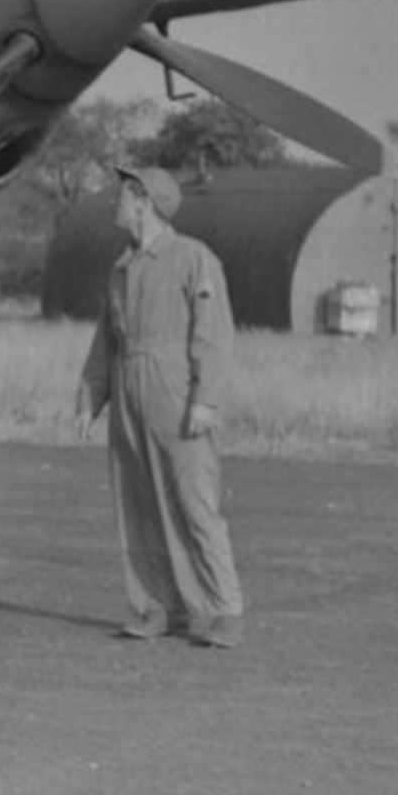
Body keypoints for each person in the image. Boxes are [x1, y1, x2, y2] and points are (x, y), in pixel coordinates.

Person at [76, 162, 245, 647]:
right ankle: (156, 608)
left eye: (122, 196)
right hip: (129, 389)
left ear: (143, 200)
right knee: (139, 504)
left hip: (175, 389)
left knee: (193, 501)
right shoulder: (121, 267)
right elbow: (106, 340)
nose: (115, 203)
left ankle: (224, 610)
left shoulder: (194, 258)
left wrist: (206, 399)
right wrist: (90, 397)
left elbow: (213, 335)